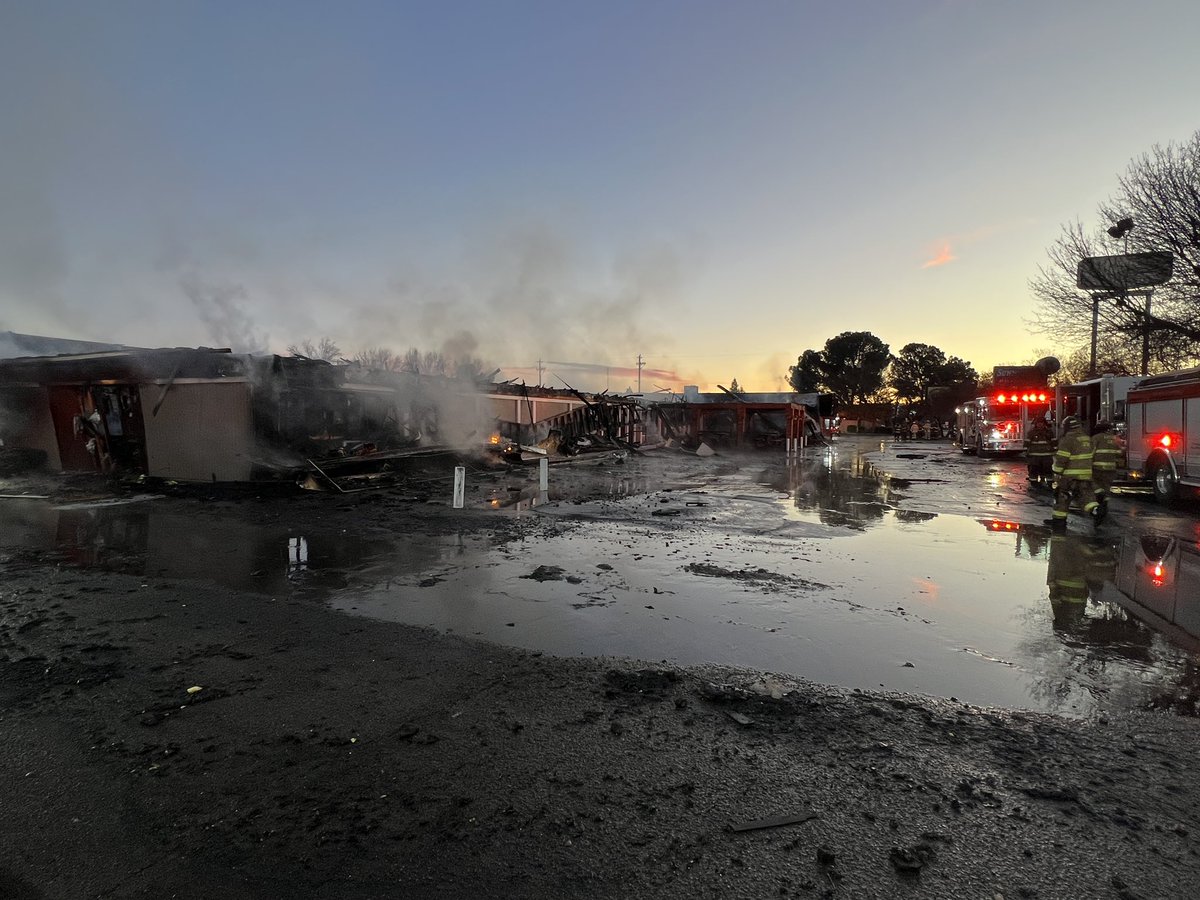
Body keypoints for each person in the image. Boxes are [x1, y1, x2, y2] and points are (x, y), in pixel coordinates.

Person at [1046, 415, 1099, 532]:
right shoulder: (1087, 439)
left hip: (1069, 476)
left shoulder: (1067, 440)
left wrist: (1056, 472)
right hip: (1086, 475)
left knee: (1062, 497)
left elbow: (1062, 459)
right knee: (1084, 496)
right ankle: (1094, 509)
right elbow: (1093, 456)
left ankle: (1059, 522)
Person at [1090, 420, 1121, 525]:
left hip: (1097, 468)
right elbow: (1119, 452)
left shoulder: (1096, 438)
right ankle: (1104, 505)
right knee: (1106, 487)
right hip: (1111, 469)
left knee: (1095, 486)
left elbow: (1091, 452)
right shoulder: (1114, 438)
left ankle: (1099, 502)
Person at [1024, 417, 1055, 488]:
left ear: (1044, 424)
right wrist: (1026, 452)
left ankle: (1049, 483)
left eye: (1041, 423)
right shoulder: (1031, 433)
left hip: (1046, 456)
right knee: (1034, 470)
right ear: (1036, 424)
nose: (1040, 425)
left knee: (1047, 470)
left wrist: (1055, 451)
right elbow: (1027, 443)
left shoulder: (1049, 432)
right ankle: (1034, 484)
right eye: (1038, 423)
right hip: (1035, 456)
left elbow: (1054, 442)